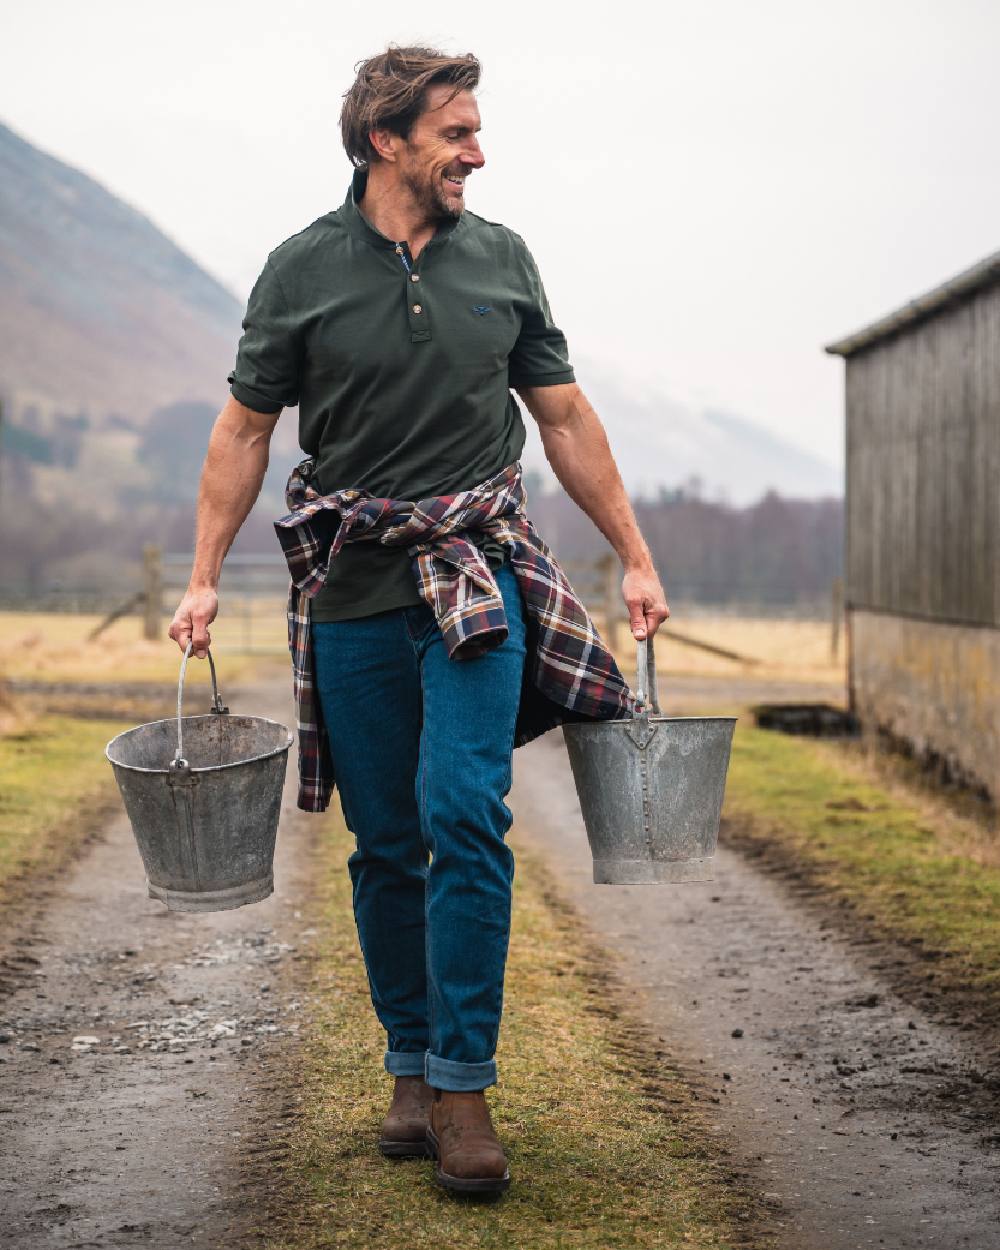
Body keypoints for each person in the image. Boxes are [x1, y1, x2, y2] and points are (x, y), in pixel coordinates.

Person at [169, 45, 669, 1198]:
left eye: (476, 130)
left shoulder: (502, 258)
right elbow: (243, 431)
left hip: (476, 581)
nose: (477, 153)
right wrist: (201, 576)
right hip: (351, 589)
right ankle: (406, 1059)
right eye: (456, 133)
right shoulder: (300, 270)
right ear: (385, 140)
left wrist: (635, 554)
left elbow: (564, 414)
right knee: (386, 838)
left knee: (464, 811)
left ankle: (463, 1081)